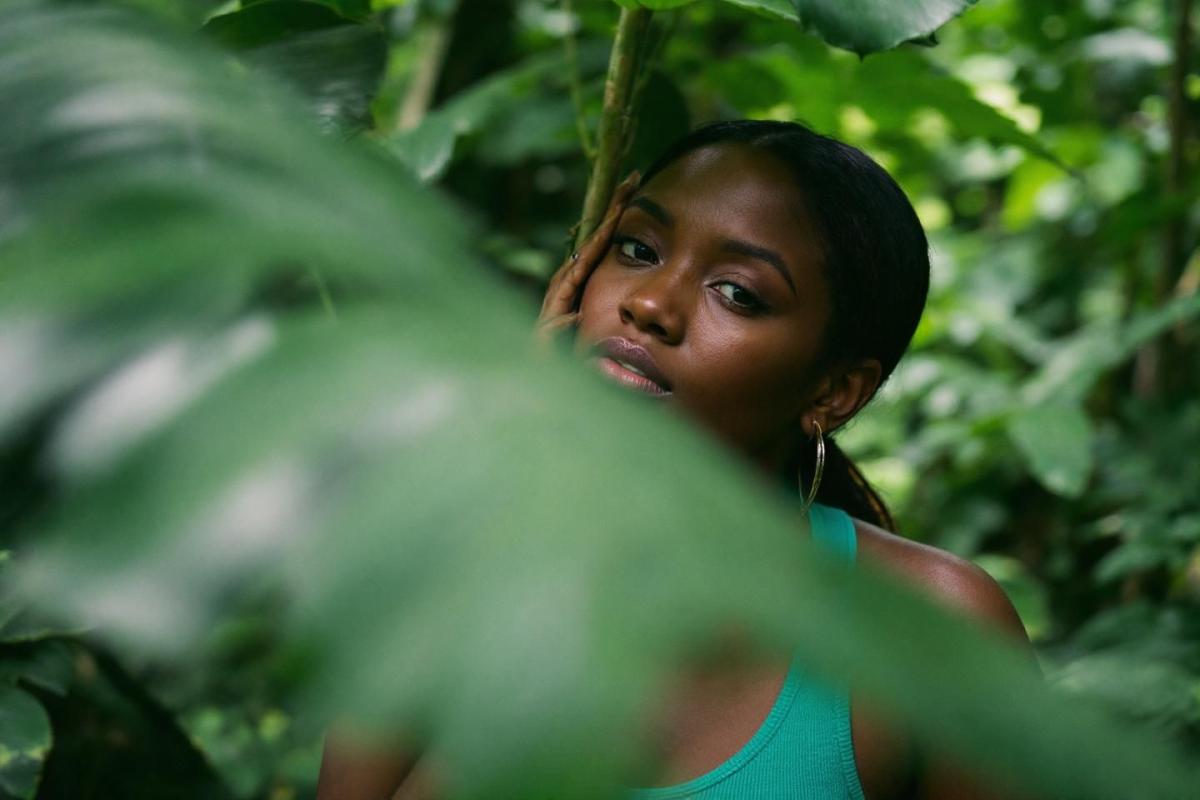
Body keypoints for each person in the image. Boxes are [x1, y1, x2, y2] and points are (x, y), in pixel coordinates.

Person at [317, 120, 1031, 799]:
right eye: (637, 250)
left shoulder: (936, 633)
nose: (652, 303)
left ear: (834, 391)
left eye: (738, 293)